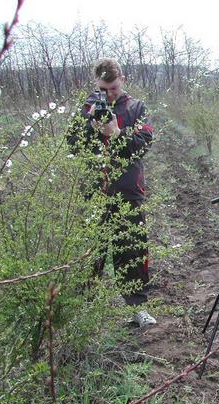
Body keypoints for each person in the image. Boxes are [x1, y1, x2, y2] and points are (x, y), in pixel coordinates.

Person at [68, 58, 156, 325]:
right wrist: (90, 127)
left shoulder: (136, 107)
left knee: (131, 249)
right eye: (104, 89)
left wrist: (118, 133)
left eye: (114, 88)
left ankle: (137, 309)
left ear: (123, 80)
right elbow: (72, 144)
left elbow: (143, 144)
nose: (109, 94)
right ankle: (82, 314)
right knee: (90, 252)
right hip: (95, 192)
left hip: (129, 191)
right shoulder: (88, 108)